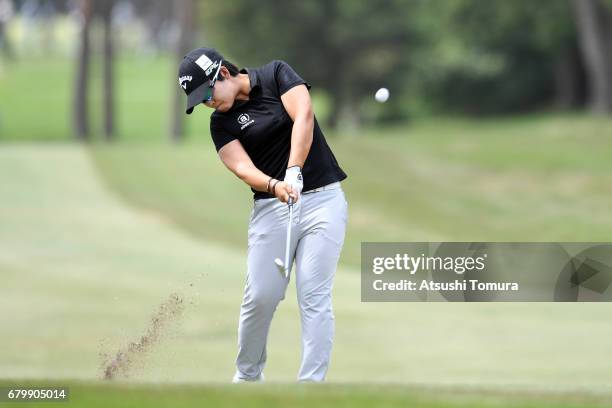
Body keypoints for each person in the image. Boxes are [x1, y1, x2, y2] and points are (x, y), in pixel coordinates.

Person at [178, 47, 348, 382]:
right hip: (272, 209)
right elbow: (241, 167)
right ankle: (247, 378)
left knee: (313, 295)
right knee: (260, 297)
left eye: (207, 94)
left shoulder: (275, 75)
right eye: (200, 102)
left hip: (323, 202)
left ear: (223, 74)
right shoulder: (221, 123)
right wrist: (275, 185)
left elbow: (304, 115)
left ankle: (310, 387)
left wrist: (294, 170)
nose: (207, 104)